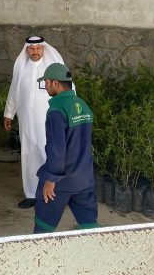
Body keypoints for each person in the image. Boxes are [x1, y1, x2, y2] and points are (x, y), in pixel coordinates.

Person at [33, 62, 98, 234]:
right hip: (84, 178)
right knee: (90, 227)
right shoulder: (83, 106)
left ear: (55, 83)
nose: (45, 86)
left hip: (61, 181)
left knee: (43, 227)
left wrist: (50, 179)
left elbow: (56, 149)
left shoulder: (57, 110)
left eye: (46, 82)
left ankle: (38, 249)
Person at [3, 36, 66, 209]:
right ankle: (31, 194)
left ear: (44, 49)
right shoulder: (21, 68)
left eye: (39, 48)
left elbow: (68, 90)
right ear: (27, 50)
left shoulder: (54, 68)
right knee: (28, 154)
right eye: (32, 49)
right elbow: (14, 91)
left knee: (49, 153)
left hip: (49, 121)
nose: (35, 52)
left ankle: (56, 194)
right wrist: (9, 114)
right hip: (26, 121)